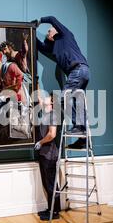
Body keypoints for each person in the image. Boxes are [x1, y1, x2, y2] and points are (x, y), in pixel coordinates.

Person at [33, 16, 90, 149]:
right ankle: (82, 140)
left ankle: (78, 128)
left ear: (56, 31)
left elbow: (52, 19)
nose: (47, 33)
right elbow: (41, 47)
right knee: (78, 102)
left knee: (64, 98)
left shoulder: (65, 35)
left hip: (78, 70)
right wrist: (30, 32)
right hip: (82, 72)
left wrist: (39, 22)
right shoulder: (55, 48)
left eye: (49, 31)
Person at [34, 92, 61, 221]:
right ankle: (51, 209)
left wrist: (41, 142)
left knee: (51, 185)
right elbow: (39, 99)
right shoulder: (46, 113)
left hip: (50, 155)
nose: (44, 98)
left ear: (52, 103)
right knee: (47, 183)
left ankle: (54, 212)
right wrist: (35, 82)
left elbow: (52, 134)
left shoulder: (53, 115)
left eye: (48, 97)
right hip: (44, 154)